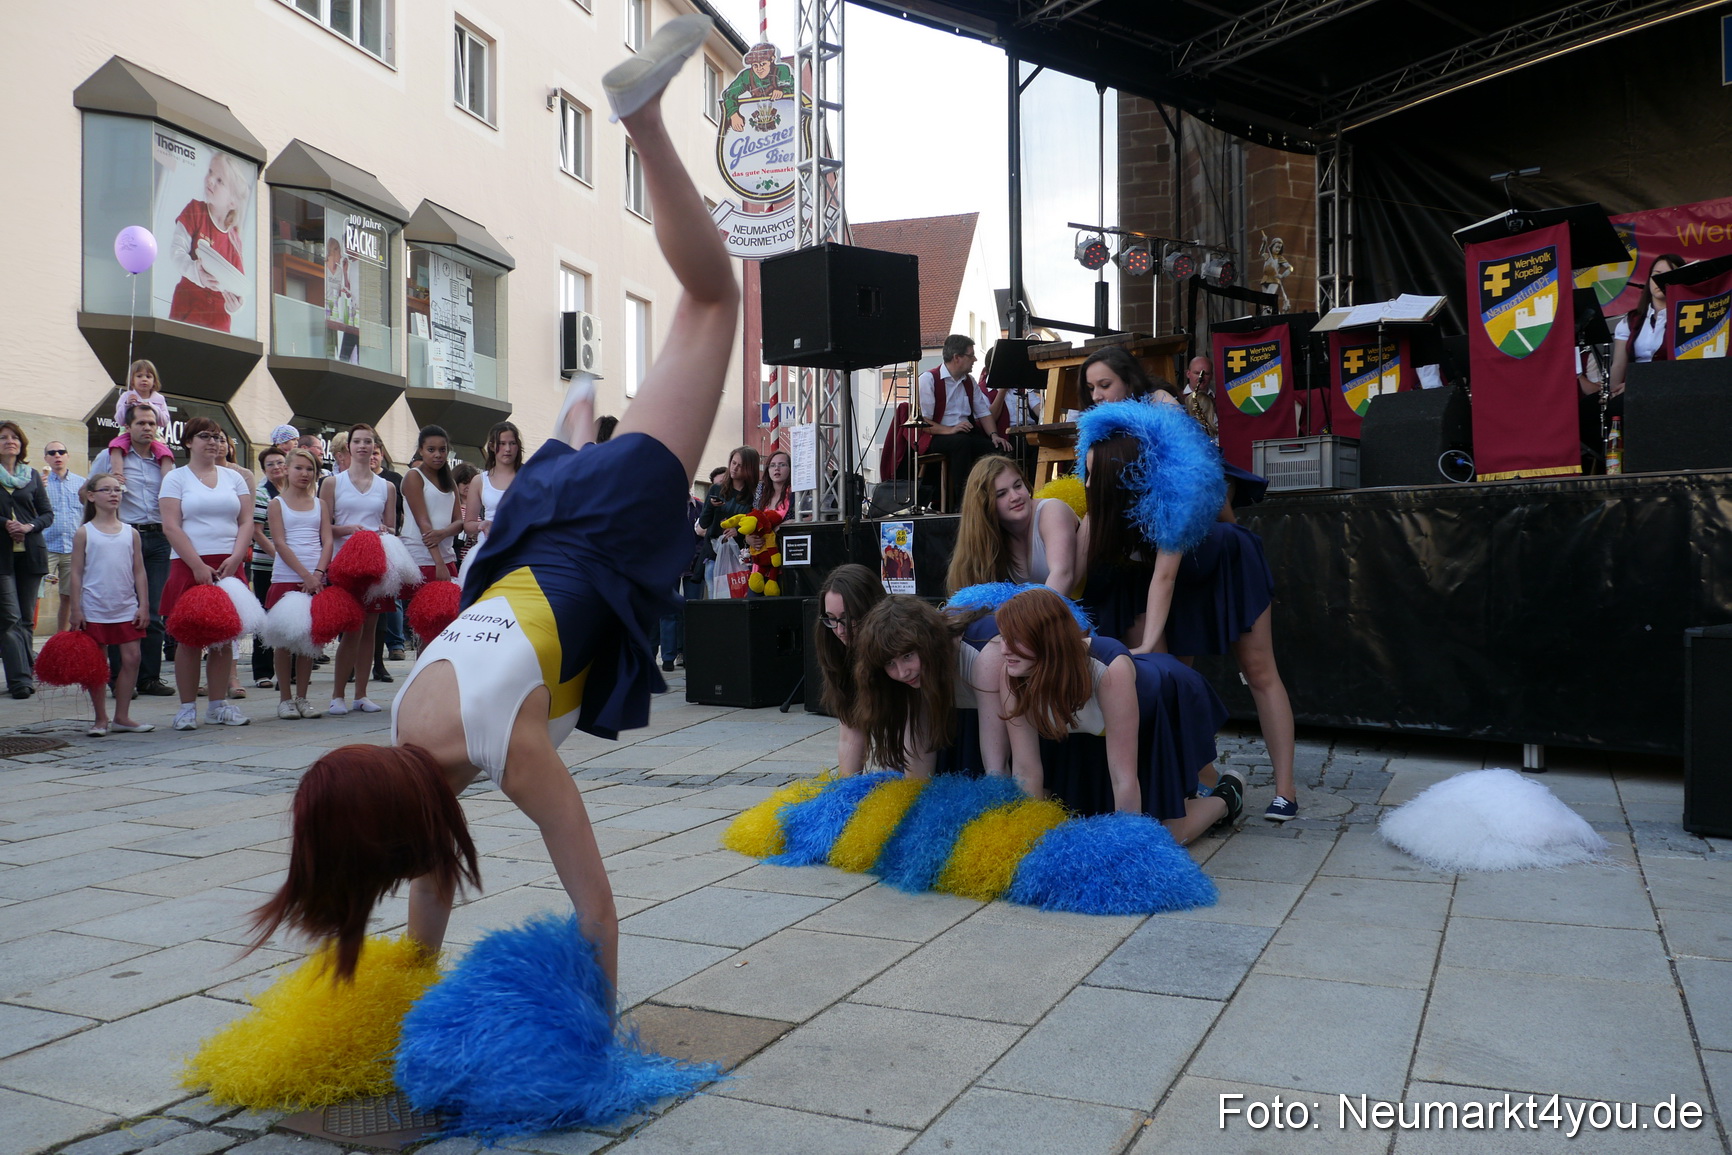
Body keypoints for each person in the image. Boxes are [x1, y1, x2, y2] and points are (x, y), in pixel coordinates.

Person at [251, 16, 739, 989]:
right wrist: (383, 1009)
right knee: (669, 341)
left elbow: (597, 911)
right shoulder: (398, 732)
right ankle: (571, 417)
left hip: (591, 532)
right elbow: (430, 897)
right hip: (536, 524)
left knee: (712, 299)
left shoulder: (503, 751)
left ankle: (640, 123)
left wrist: (591, 1061)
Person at [1081, 418, 1299, 822]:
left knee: (1259, 671)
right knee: (1173, 679)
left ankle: (1285, 790)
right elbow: (1075, 574)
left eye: (1093, 473)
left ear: (1118, 475)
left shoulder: (1168, 496)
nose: (1086, 482)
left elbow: (1164, 575)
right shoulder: (1101, 514)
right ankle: (1210, 782)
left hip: (1221, 563)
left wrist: (1146, 643)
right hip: (1173, 580)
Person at [994, 587, 1236, 844]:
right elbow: (1026, 769)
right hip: (1091, 730)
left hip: (1161, 704)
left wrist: (1125, 848)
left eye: (1016, 640)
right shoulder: (1012, 674)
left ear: (1047, 639)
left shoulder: (1108, 667)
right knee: (1074, 821)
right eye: (1003, 638)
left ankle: (1227, 795)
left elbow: (1123, 775)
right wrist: (1029, 837)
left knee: (1165, 835)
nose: (1004, 650)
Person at [158, 417, 253, 730]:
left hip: (228, 563)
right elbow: (171, 525)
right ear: (188, 442)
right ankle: (187, 708)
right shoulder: (175, 478)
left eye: (217, 436)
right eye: (204, 436)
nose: (212, 442)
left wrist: (237, 555)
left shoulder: (234, 478)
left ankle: (217, 705)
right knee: (189, 639)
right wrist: (197, 565)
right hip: (189, 563)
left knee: (224, 637)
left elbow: (245, 522)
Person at [92, 404, 176, 696]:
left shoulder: (164, 461)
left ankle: (149, 678)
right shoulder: (109, 457)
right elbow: (87, 492)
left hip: (158, 538)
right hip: (124, 537)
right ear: (128, 427)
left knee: (153, 610)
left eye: (151, 422)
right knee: (123, 609)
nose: (147, 427)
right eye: (141, 422)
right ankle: (119, 678)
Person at [320, 423, 396, 715]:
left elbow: (391, 528)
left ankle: (361, 695)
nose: (363, 446)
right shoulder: (332, 483)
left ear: (375, 447)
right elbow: (323, 526)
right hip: (344, 564)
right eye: (358, 442)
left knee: (371, 632)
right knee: (351, 630)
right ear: (348, 447)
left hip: (375, 564)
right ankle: (337, 694)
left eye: (369, 442)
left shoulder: (386, 486)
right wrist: (348, 529)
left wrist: (382, 531)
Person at [68, 474, 152, 735]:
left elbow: (139, 571)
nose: (114, 494)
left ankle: (122, 716)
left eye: (118, 490)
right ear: (91, 496)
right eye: (107, 490)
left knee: (132, 657)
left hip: (125, 606)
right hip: (94, 607)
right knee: (97, 664)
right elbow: (76, 573)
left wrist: (144, 605)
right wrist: (76, 608)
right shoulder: (85, 532)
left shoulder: (131, 533)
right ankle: (100, 718)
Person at [945, 455, 1078, 596]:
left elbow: (1063, 573)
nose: (1015, 497)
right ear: (984, 505)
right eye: (1001, 494)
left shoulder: (1051, 510)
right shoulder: (992, 536)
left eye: (1018, 485)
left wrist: (1033, 618)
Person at [266, 448, 332, 719]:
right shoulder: (276, 504)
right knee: (283, 641)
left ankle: (303, 697)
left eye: (310, 469)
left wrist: (317, 573)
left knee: (308, 641)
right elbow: (279, 542)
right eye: (299, 468)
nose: (304, 473)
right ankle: (285, 699)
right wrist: (305, 574)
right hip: (287, 576)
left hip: (315, 578)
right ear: (287, 470)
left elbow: (327, 540)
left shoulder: (320, 504)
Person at [919, 334, 1012, 509]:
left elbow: (983, 413)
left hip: (963, 434)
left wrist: (994, 435)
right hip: (936, 436)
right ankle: (963, 504)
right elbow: (924, 422)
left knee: (999, 448)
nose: (975, 359)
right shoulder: (928, 379)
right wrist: (951, 429)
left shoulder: (969, 381)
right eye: (971, 355)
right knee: (961, 443)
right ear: (957, 358)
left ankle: (996, 500)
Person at [814, 563, 888, 775]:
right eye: (831, 618)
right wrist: (847, 793)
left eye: (849, 618)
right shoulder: (837, 651)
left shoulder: (896, 650)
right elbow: (850, 735)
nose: (840, 630)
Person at [167, 151, 250, 332]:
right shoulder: (195, 210)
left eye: (220, 180)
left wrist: (235, 306)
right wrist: (197, 274)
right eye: (210, 172)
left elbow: (238, 288)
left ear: (233, 202)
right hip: (186, 313)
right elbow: (176, 253)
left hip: (218, 325)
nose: (210, 179)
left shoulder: (235, 240)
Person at [0, 422, 53, 699]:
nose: (10, 441)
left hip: (31, 553)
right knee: (9, 618)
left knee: (26, 619)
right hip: (2, 556)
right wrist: (5, 524)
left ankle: (29, 670)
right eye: (3, 437)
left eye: (14, 437)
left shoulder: (31, 475)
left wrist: (28, 527)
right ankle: (20, 680)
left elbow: (46, 514)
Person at [401, 425, 460, 585]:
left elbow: (459, 521)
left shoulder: (450, 481)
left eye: (442, 450)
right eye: (431, 449)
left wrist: (444, 532)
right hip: (421, 559)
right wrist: (438, 563)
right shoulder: (414, 477)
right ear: (421, 450)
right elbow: (423, 523)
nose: (438, 455)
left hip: (447, 556)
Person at [249, 446, 288, 689]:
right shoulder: (262, 494)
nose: (277, 467)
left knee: (290, 618)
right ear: (264, 470)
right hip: (266, 566)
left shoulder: (297, 493)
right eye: (270, 464)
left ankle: (289, 670)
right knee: (264, 617)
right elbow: (256, 532)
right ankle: (262, 672)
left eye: (280, 462)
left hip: (291, 567)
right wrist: (280, 556)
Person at [106, 360, 176, 489]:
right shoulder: (127, 395)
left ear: (154, 381)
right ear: (132, 380)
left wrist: (152, 407)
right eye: (139, 376)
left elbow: (164, 421)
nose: (144, 380)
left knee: (166, 454)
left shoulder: (159, 399)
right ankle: (118, 475)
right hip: (128, 433)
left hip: (154, 436)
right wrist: (126, 405)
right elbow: (119, 419)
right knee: (115, 447)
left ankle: (168, 484)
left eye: (148, 376)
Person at [42, 441, 85, 633]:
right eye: (52, 452)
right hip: (46, 547)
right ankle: (24, 641)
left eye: (61, 451)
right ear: (46, 458)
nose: (57, 455)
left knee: (69, 596)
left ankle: (62, 639)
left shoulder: (82, 483)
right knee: (34, 595)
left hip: (72, 549)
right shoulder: (39, 482)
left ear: (68, 456)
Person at [463, 420, 521, 556]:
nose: (508, 449)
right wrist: (481, 525)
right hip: (488, 548)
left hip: (519, 548)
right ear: (492, 446)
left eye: (512, 443)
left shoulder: (528, 477)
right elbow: (468, 525)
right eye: (502, 443)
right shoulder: (479, 480)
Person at [722, 41, 794, 132]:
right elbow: (729, 94)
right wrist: (733, 114)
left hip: (784, 119)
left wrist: (783, 91)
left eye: (763, 64)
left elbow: (794, 88)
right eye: (755, 66)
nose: (759, 69)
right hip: (757, 120)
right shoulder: (746, 75)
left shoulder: (782, 70)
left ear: (772, 60)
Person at [1084, 345, 1181, 408]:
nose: (1095, 397)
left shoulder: (1159, 399)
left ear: (1128, 380)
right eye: (1091, 388)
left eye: (1105, 385)